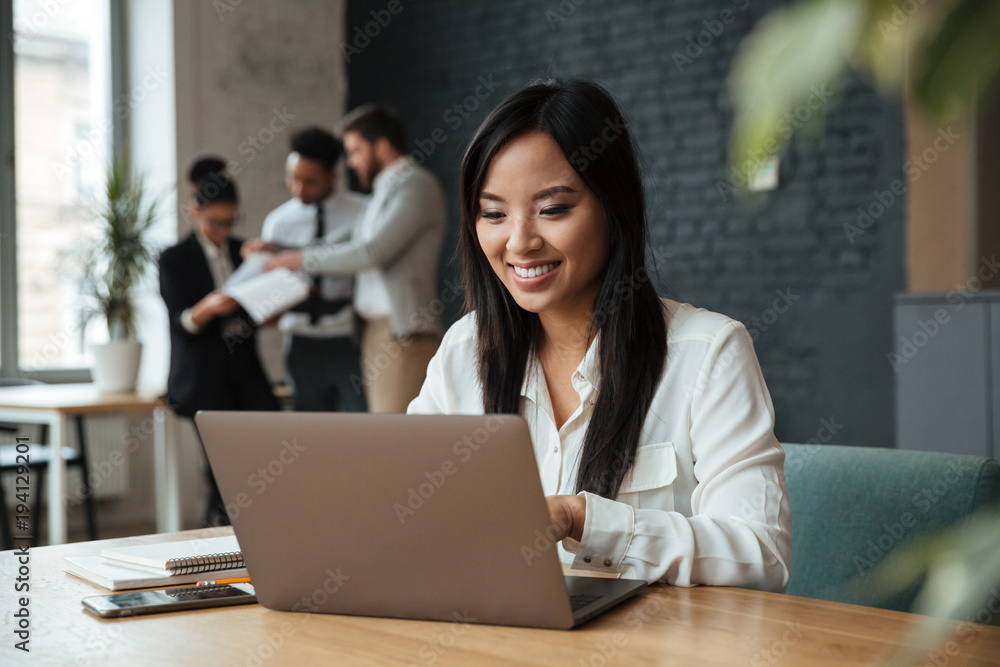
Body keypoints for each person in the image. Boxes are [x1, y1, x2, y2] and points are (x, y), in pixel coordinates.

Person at [407, 81, 792, 591]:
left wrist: (583, 519)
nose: (519, 242)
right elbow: (407, 515)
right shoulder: (464, 351)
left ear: (613, 209)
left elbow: (762, 556)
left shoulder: (708, 354)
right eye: (494, 213)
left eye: (552, 209)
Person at [264, 106, 447, 413]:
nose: (350, 163)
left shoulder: (417, 185)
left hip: (403, 332)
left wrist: (299, 259)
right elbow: (342, 242)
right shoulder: (381, 193)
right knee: (380, 436)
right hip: (376, 332)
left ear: (383, 147)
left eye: (355, 152)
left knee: (392, 440)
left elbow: (371, 252)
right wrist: (279, 250)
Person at [159, 156, 279, 526]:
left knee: (266, 457)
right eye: (216, 222)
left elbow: (255, 315)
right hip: (203, 378)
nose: (224, 231)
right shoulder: (174, 259)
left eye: (231, 221)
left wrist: (269, 302)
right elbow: (180, 325)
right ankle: (223, 543)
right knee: (223, 470)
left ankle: (250, 535)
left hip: (246, 374)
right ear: (195, 211)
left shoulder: (244, 251)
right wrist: (210, 307)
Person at [258, 127, 369, 412]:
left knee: (359, 428)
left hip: (350, 339)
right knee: (308, 434)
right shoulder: (278, 221)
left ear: (333, 177)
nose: (298, 189)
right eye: (292, 179)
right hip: (300, 341)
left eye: (309, 181)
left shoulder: (362, 212)